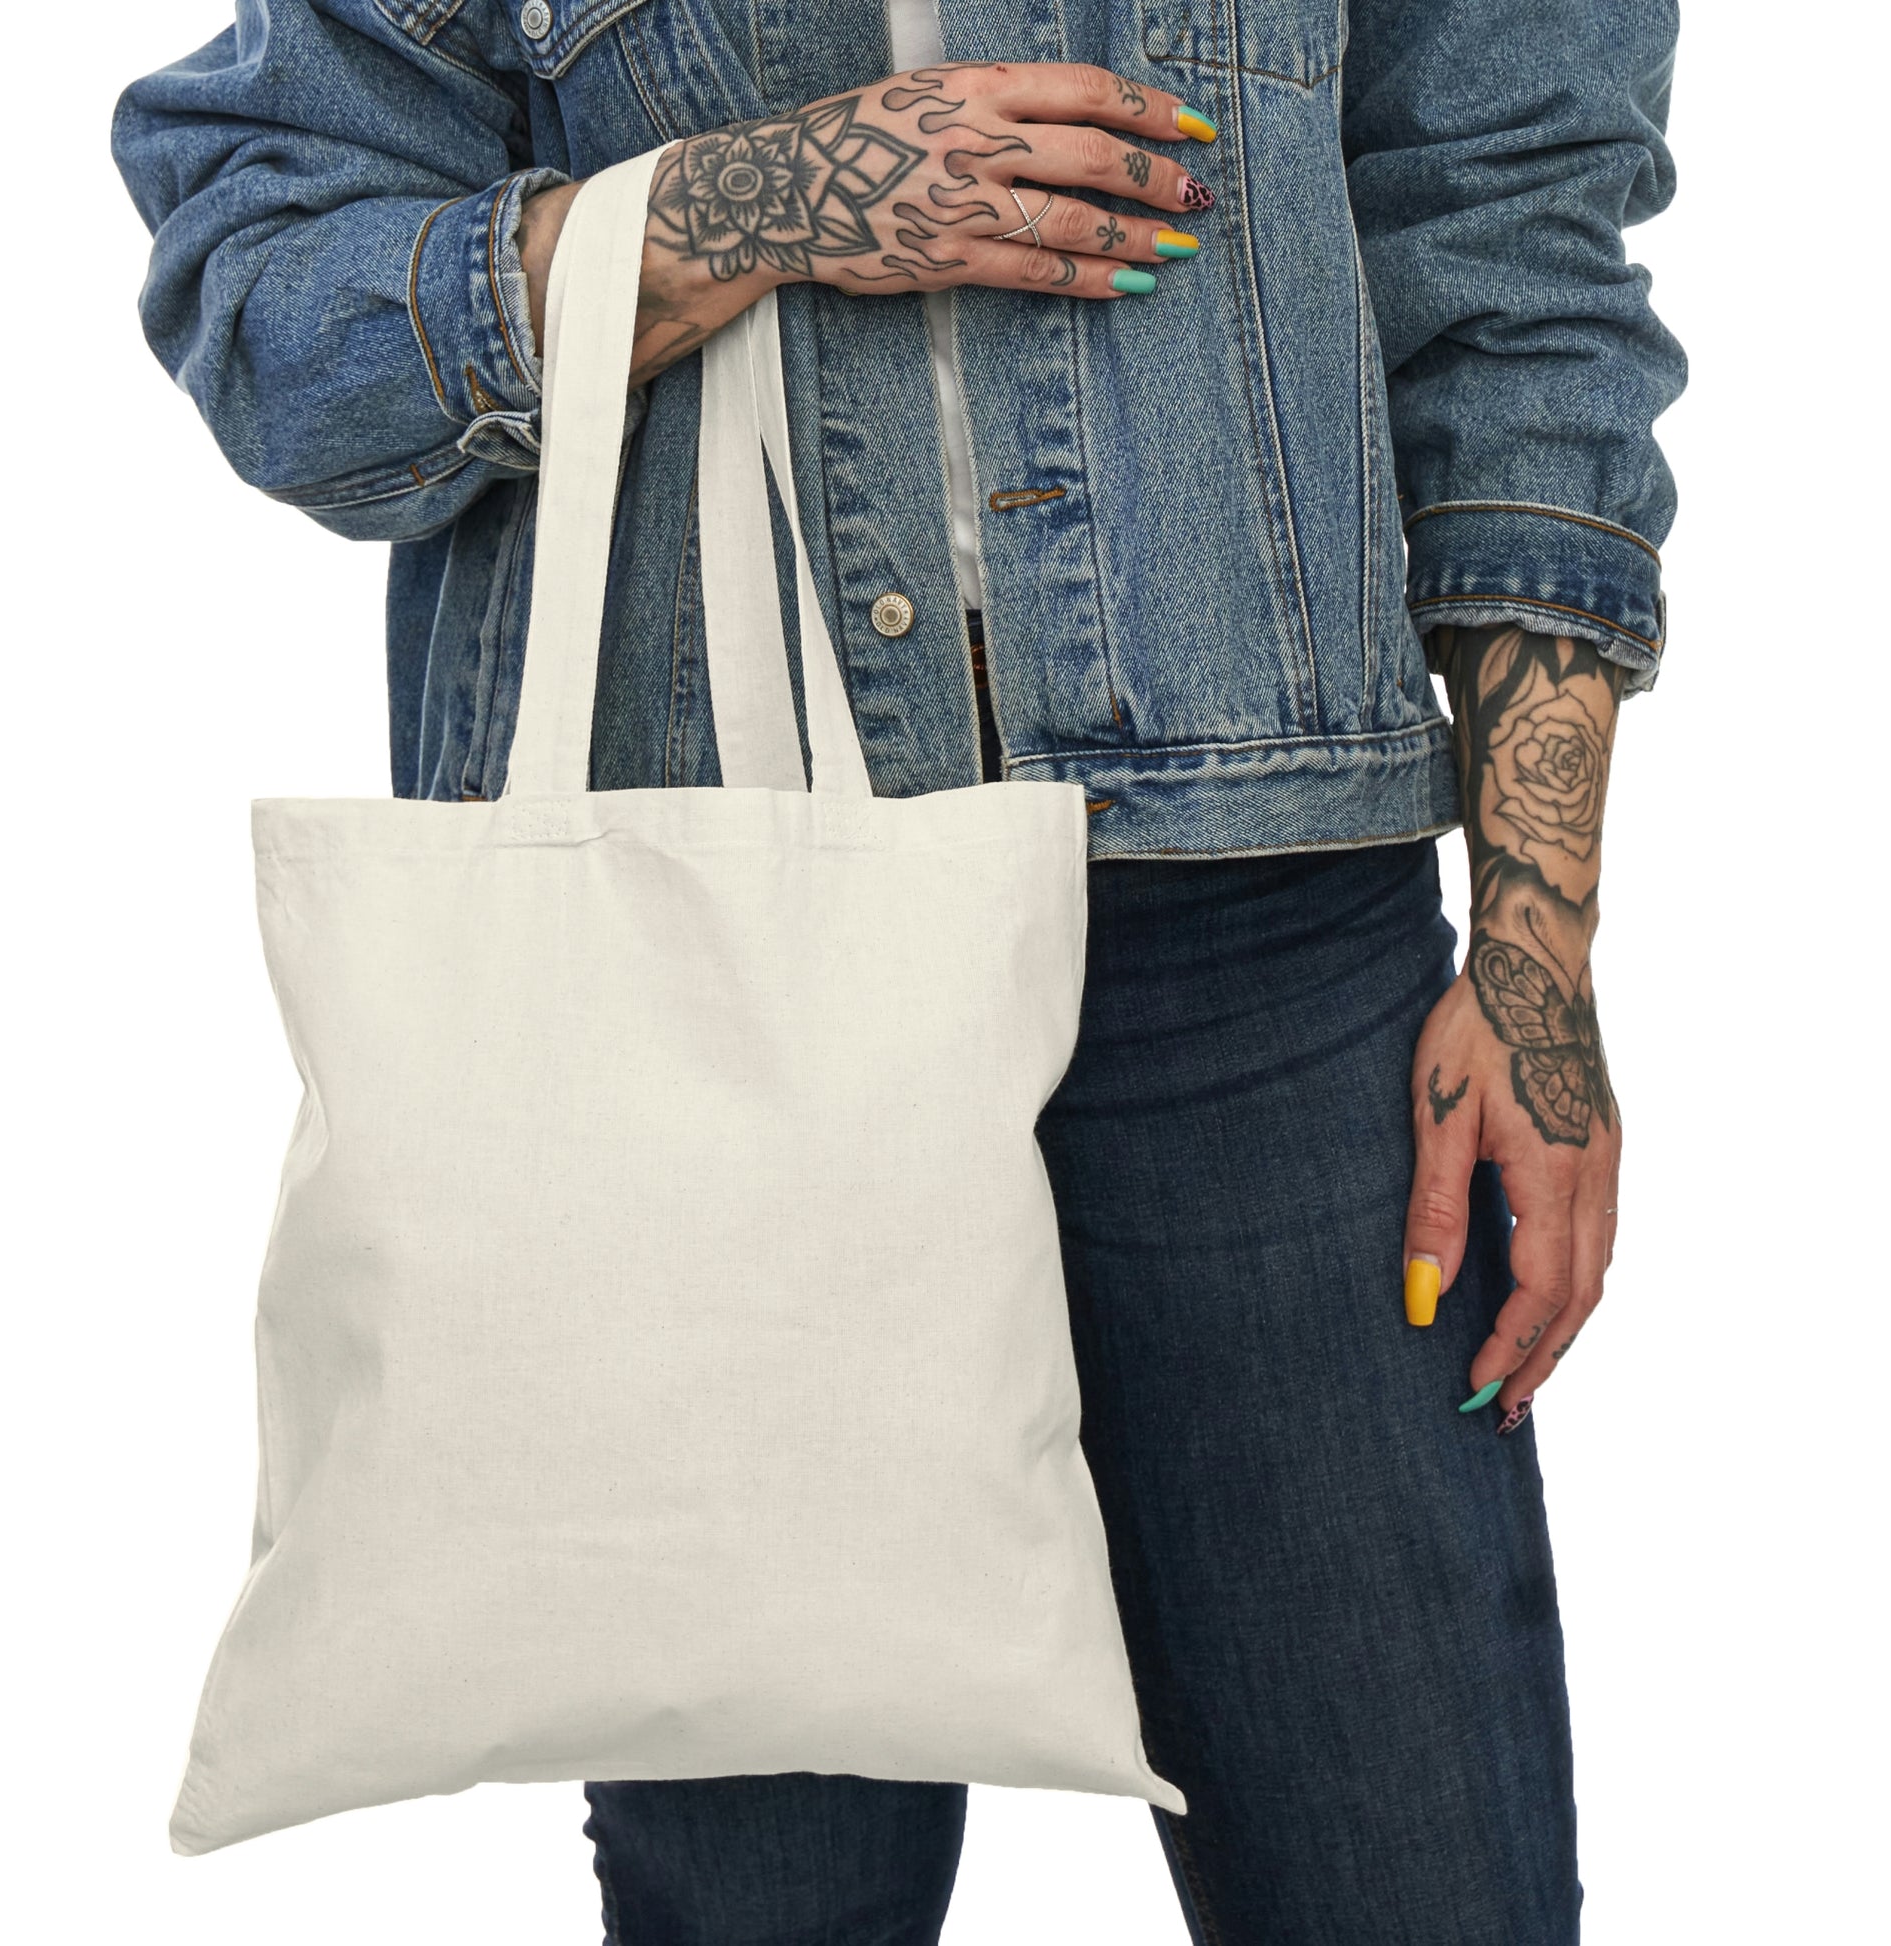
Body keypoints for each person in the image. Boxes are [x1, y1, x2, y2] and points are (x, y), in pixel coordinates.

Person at [114, 0, 1683, 1936]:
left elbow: (1516, 246)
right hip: (704, 972)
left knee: (1419, 1879)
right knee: (765, 1907)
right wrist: (752, 204)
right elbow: (271, 300)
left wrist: (1537, 948)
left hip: (1262, 951)